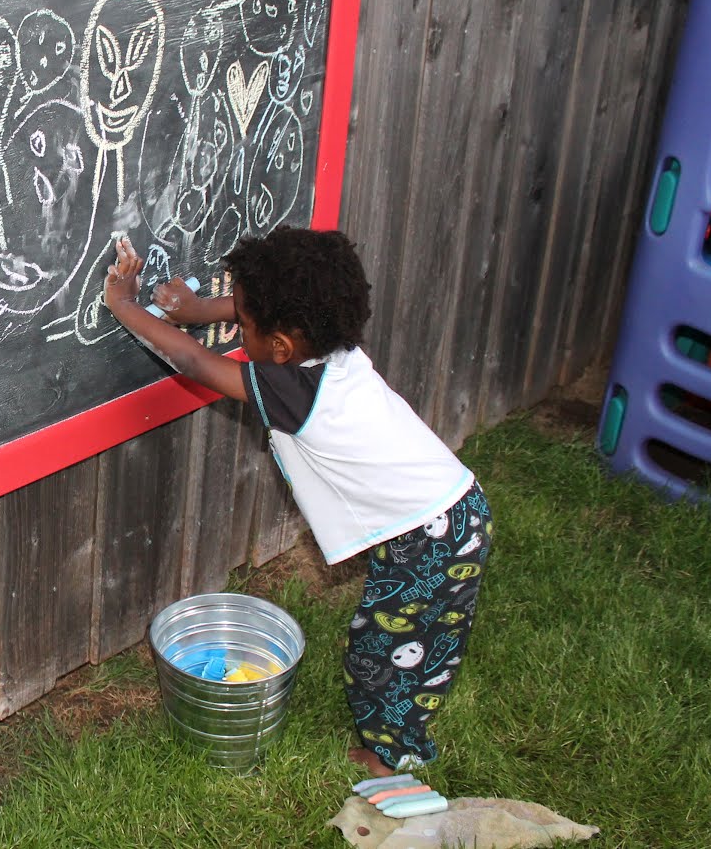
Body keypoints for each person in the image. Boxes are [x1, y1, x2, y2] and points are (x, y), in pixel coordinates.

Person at [102, 226, 491, 777]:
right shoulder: (330, 350)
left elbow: (192, 363)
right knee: (427, 639)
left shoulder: (293, 390)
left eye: (245, 321)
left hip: (427, 539)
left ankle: (392, 756)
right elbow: (257, 312)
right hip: (458, 509)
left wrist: (122, 302)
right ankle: (404, 730)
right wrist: (195, 308)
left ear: (280, 348)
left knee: (380, 654)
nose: (238, 321)